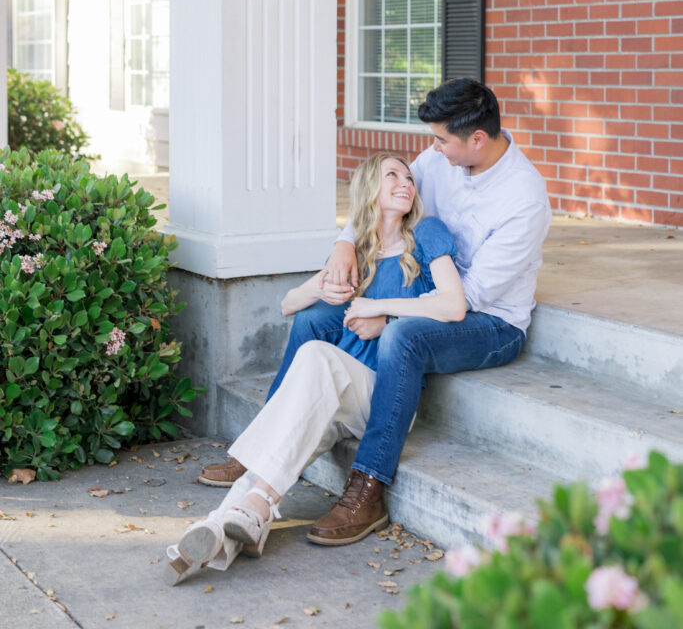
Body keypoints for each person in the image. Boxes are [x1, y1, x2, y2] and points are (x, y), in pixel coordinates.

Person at [199, 78, 552, 547]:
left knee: (403, 338)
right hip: (426, 288)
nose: (432, 150)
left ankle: (368, 488)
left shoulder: (524, 197)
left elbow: (471, 297)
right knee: (313, 320)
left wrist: (388, 315)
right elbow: (377, 200)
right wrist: (345, 245)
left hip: (490, 321)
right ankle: (261, 444)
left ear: (477, 140)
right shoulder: (438, 161)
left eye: (442, 139)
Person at [165, 153, 466, 585]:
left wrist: (382, 310)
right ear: (370, 189)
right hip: (336, 400)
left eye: (409, 177)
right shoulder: (356, 249)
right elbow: (289, 304)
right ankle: (229, 527)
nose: (406, 183)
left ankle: (237, 518)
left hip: (383, 397)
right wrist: (321, 284)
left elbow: (454, 304)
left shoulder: (427, 234)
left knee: (315, 358)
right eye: (392, 175)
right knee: (275, 459)